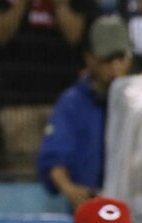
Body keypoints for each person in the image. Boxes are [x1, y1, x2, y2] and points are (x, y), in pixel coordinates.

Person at [0, 0, 99, 171]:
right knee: (24, 177)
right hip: (17, 104)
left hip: (66, 104)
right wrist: (21, 4)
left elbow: (76, 35)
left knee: (66, 173)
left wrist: (60, 5)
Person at [35, 16, 130, 208]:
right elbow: (53, 158)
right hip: (88, 209)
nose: (115, 68)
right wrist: (70, 189)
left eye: (120, 58)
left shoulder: (140, 102)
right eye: (107, 60)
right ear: (90, 58)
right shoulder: (72, 103)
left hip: (132, 210)